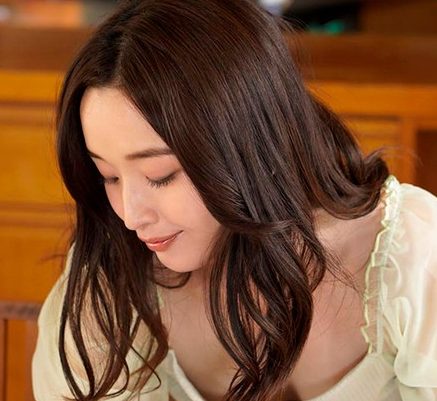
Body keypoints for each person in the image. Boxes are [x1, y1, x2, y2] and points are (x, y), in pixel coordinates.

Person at [32, 0, 437, 400]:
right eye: (109, 176)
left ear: (249, 142)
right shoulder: (115, 277)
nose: (131, 215)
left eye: (161, 175)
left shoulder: (411, 260)